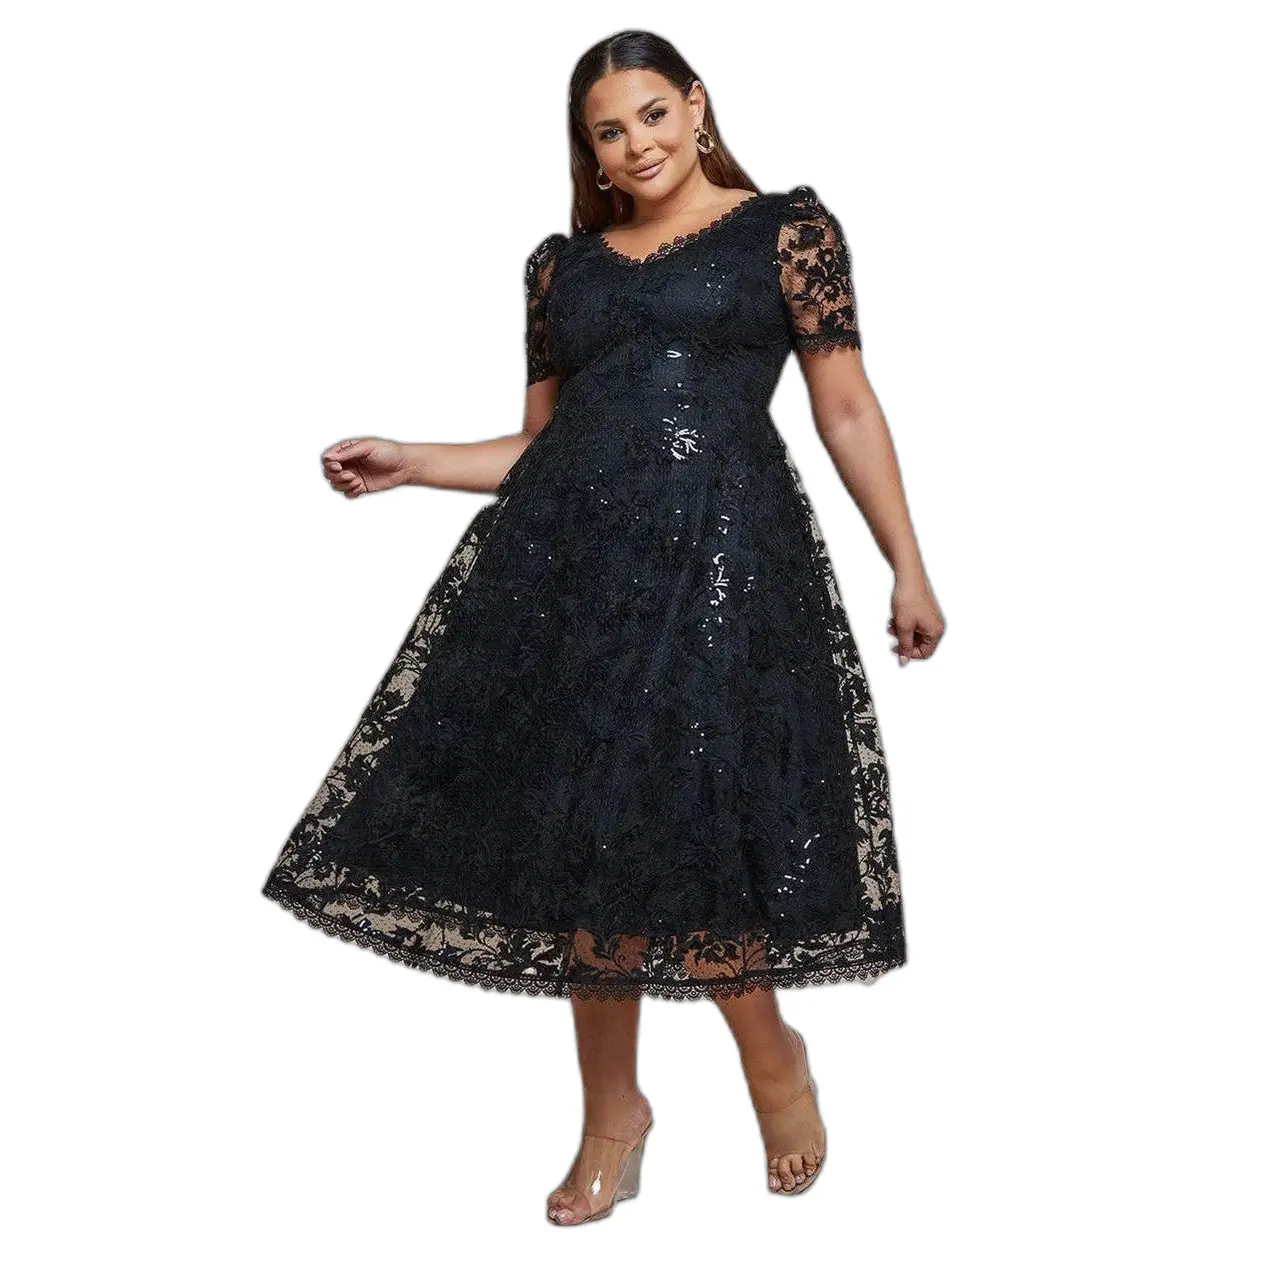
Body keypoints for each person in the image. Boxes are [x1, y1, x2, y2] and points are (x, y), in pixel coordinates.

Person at [260, 29, 945, 1226]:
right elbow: (542, 447)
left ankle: (771, 1059)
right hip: (570, 578)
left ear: (697, 104)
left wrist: (908, 563)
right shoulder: (560, 270)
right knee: (588, 837)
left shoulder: (785, 231)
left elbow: (843, 405)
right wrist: (413, 461)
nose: (635, 146)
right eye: (607, 133)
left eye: (651, 115)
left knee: (688, 828)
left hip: (725, 571)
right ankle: (612, 1114)